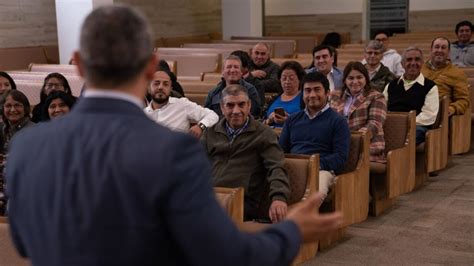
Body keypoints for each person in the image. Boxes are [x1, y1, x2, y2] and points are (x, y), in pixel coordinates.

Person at [6, 5, 342, 266]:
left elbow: (22, 239)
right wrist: (291, 233)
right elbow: (226, 255)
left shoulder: (28, 146)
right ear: (152, 66)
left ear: (77, 64)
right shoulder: (172, 150)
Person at [203, 84, 290, 223]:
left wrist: (279, 197)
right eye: (230, 105)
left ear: (249, 106)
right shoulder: (210, 133)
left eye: (241, 104)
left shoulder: (264, 134)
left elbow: (276, 167)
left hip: (244, 201)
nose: (236, 110)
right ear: (222, 108)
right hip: (210, 196)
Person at [279, 71, 351, 199]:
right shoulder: (292, 120)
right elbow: (281, 150)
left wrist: (314, 164)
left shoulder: (338, 121)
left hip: (322, 170)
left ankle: (302, 218)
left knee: (317, 188)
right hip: (294, 166)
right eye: (307, 90)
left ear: (327, 93)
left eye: (317, 90)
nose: (312, 95)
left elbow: (341, 157)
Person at [332, 62, 387, 162]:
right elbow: (330, 122)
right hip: (339, 147)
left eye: (359, 77)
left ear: (366, 78)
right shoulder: (336, 97)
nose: (355, 81)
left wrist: (350, 140)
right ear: (345, 81)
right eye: (351, 78)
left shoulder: (376, 96)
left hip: (367, 147)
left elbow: (374, 124)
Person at [384, 47, 439, 144]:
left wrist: (403, 123)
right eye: (409, 60)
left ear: (422, 63)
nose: (413, 63)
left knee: (410, 136)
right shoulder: (391, 85)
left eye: (417, 59)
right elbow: (382, 108)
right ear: (402, 64)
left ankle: (397, 157)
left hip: (416, 126)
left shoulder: (430, 87)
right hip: (392, 124)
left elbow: (429, 116)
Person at [144, 69, 218, 138]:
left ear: (170, 89)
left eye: (165, 84)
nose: (160, 87)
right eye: (156, 83)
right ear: (149, 88)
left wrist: (200, 126)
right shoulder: (142, 114)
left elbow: (212, 115)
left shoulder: (182, 104)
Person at [0, 90, 34, 216]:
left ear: (25, 108)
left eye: (17, 105)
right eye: (8, 106)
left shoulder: (34, 131)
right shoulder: (3, 129)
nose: (13, 110)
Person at [422, 37, 470, 117]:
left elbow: (463, 100)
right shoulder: (420, 69)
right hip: (415, 111)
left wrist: (452, 108)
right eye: (437, 47)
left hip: (438, 115)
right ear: (431, 50)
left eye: (443, 48)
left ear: (448, 52)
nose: (439, 50)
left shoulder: (457, 73)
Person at [264, 60, 305, 128]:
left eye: (291, 78)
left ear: (299, 79)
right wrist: (269, 120)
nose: (287, 82)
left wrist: (288, 120)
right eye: (284, 78)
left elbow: (309, 124)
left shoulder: (305, 99)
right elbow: (261, 124)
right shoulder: (273, 99)